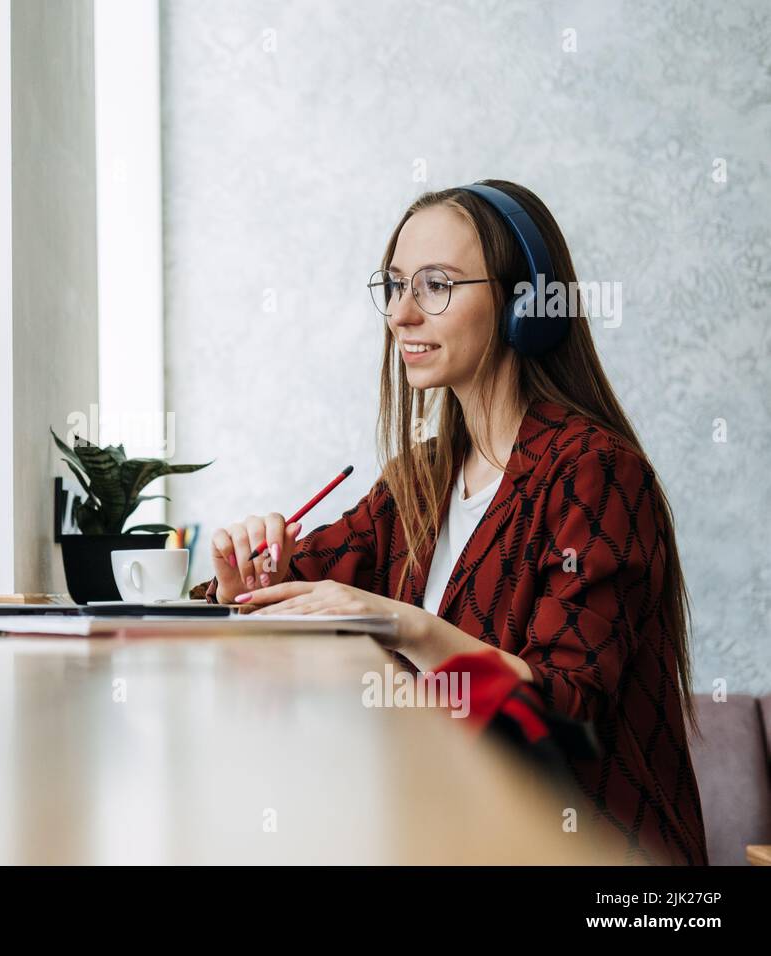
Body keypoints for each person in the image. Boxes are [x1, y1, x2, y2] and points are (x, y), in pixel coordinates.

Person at [204, 180, 707, 865]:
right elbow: (304, 590)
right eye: (394, 286)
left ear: (523, 306)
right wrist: (250, 581)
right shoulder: (421, 479)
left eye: (436, 285)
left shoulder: (597, 473)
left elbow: (564, 714)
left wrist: (406, 625)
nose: (401, 314)